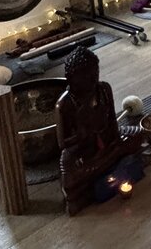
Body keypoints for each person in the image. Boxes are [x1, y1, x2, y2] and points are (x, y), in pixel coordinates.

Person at [56, 45, 136, 215]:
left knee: (138, 134)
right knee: (69, 176)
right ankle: (111, 162)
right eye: (86, 76)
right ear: (70, 78)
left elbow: (113, 123)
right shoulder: (65, 105)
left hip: (106, 140)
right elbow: (63, 144)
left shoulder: (103, 89)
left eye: (95, 73)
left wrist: (115, 140)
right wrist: (82, 135)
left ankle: (102, 170)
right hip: (81, 151)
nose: (93, 79)